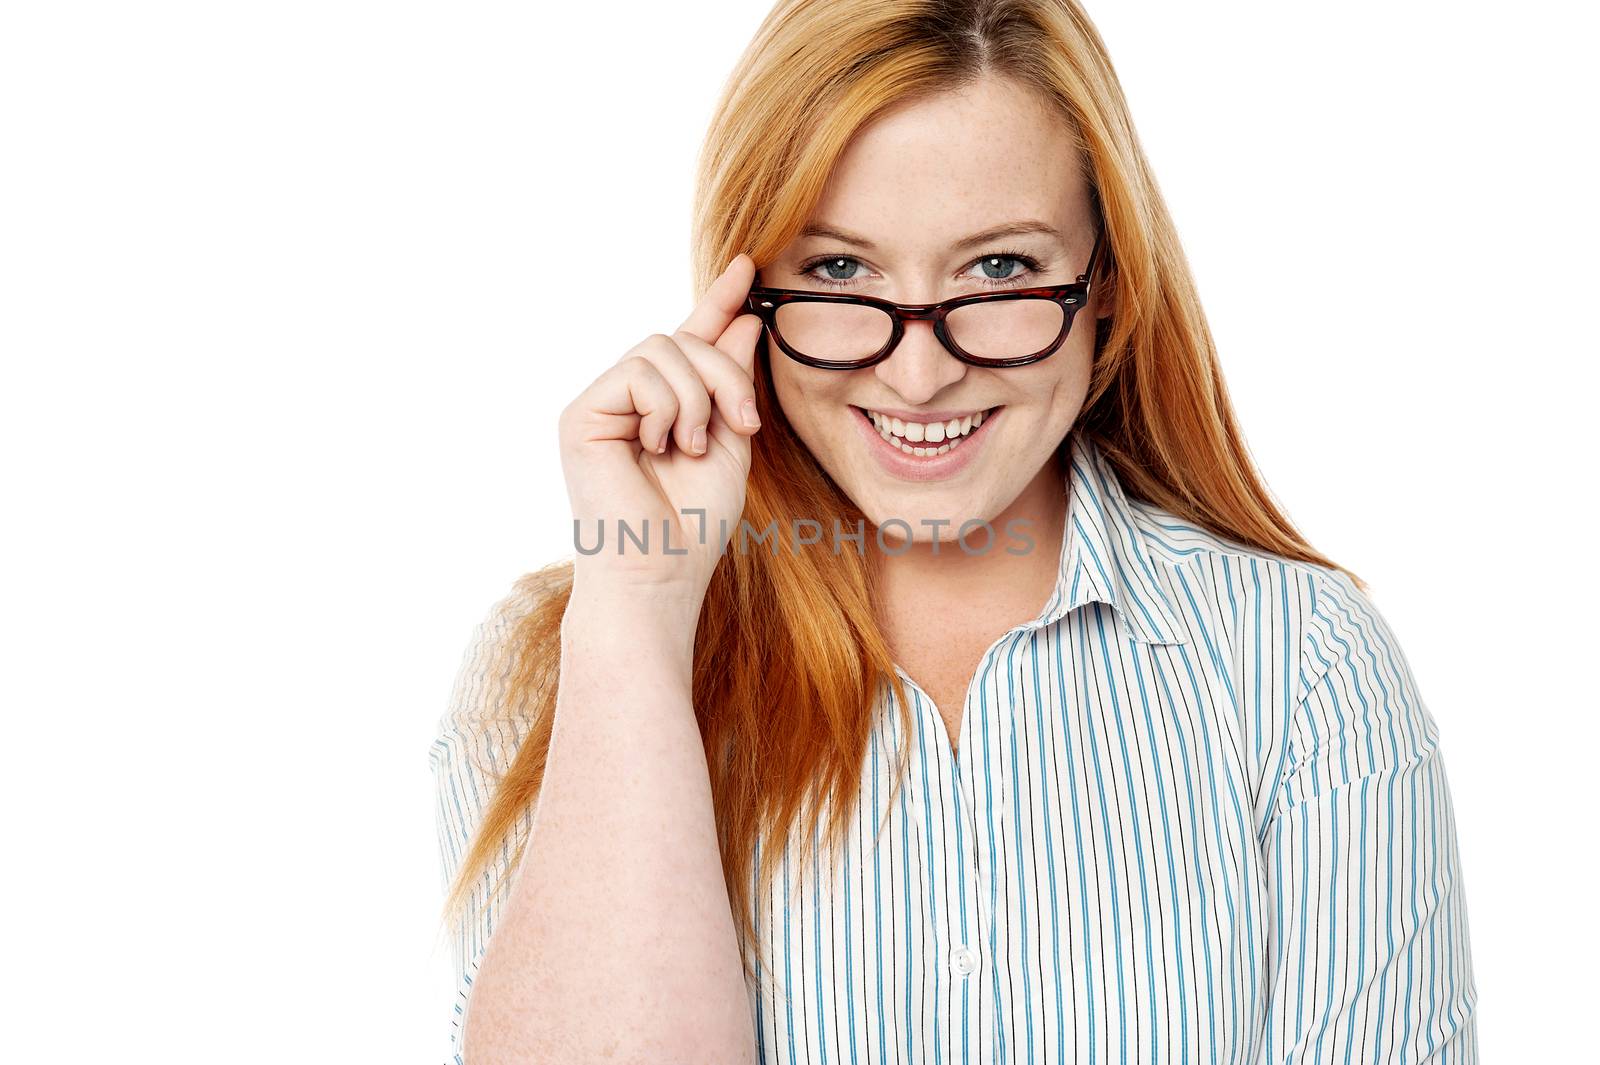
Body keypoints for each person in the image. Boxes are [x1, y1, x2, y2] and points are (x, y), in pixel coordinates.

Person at [428, 1, 1479, 1061]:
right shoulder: (553, 670)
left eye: (1000, 271)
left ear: (1105, 283)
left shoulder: (1297, 664)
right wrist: (641, 619)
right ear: (742, 294)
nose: (920, 373)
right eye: (839, 271)